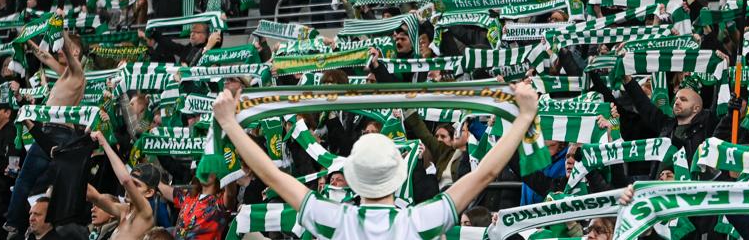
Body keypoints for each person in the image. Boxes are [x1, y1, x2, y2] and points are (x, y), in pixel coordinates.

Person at [210, 80, 540, 240]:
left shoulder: (335, 219)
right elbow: (486, 173)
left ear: (353, 177)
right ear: (399, 176)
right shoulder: (418, 221)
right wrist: (525, 115)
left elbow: (272, 175)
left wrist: (229, 123)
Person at [87, 130, 155, 240]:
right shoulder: (124, 210)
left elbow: (126, 181)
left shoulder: (146, 212)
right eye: (132, 183)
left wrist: (104, 142)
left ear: (149, 192)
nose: (129, 189)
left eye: (136, 185)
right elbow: (95, 197)